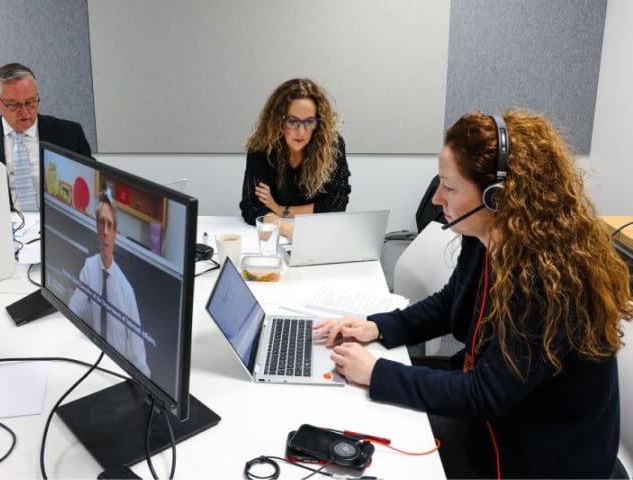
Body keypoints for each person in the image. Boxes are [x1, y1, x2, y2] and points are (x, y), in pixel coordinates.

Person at [314, 110, 633, 478]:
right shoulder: (486, 238)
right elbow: (453, 301)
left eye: (449, 188)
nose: (436, 198)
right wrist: (379, 327)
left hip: (544, 459)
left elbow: (486, 394)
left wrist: (377, 373)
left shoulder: (549, 281)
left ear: (497, 197)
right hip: (500, 426)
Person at [0, 63, 92, 212]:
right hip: (2, 224)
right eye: (14, 105)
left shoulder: (69, 134)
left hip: (55, 224)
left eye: (31, 102)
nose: (25, 112)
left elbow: (91, 187)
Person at [240, 78, 351, 237]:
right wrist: (285, 228)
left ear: (318, 123)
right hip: (277, 235)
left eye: (309, 122)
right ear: (278, 121)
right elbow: (251, 205)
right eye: (292, 121)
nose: (301, 132)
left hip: (320, 231)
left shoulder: (332, 145)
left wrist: (280, 210)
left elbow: (336, 204)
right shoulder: (261, 147)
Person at [68, 191, 150, 377]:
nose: (105, 231)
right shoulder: (90, 266)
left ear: (115, 233)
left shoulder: (126, 291)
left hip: (117, 371)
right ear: (96, 227)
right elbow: (74, 309)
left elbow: (139, 356)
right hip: (94, 357)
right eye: (101, 223)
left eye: (110, 225)